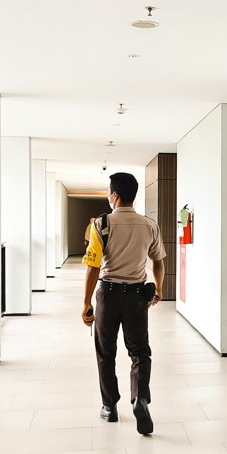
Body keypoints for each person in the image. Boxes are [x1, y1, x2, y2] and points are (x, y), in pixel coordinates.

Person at [81, 173, 166, 435]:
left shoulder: (102, 224)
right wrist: (159, 289)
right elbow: (159, 261)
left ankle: (110, 407)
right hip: (137, 297)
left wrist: (86, 303)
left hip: (107, 293)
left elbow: (93, 266)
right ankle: (140, 398)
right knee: (140, 352)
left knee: (106, 352)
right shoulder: (149, 225)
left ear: (114, 195)